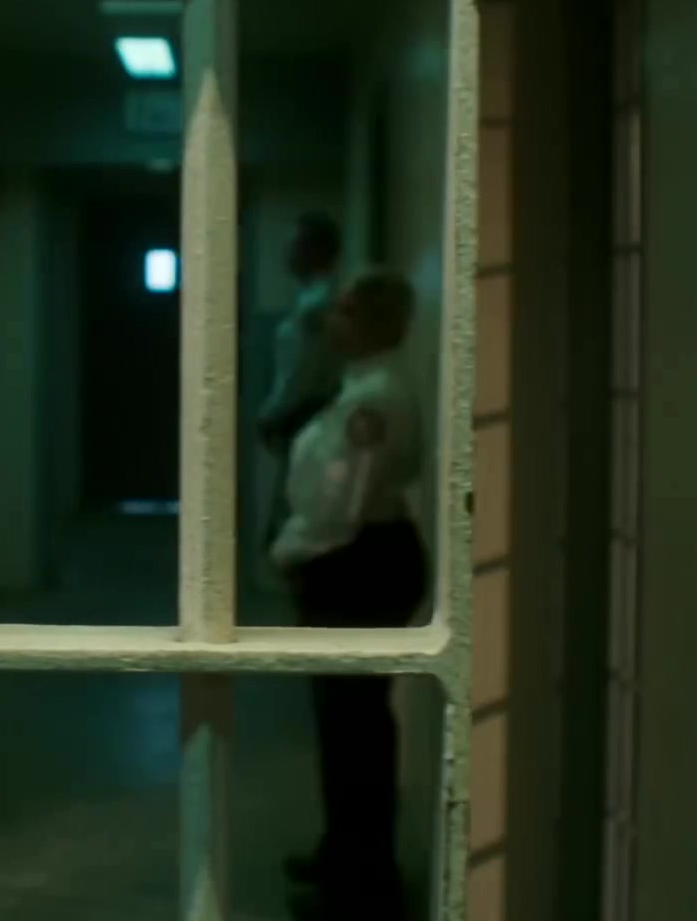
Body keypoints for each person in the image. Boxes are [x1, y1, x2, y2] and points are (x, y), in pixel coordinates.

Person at [270, 269, 426, 920]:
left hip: (358, 563)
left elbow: (341, 505)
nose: (329, 321)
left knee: (354, 728)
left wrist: (289, 552)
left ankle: (363, 882)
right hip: (359, 559)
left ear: (371, 325)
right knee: (346, 725)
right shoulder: (362, 387)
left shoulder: (375, 399)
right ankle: (345, 855)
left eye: (342, 311)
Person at [257, 212, 345, 547]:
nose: (286, 254)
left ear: (313, 251)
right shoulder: (312, 299)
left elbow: (300, 374)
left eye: (293, 245)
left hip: (308, 415)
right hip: (305, 416)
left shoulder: (318, 305)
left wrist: (272, 412)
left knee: (298, 517)